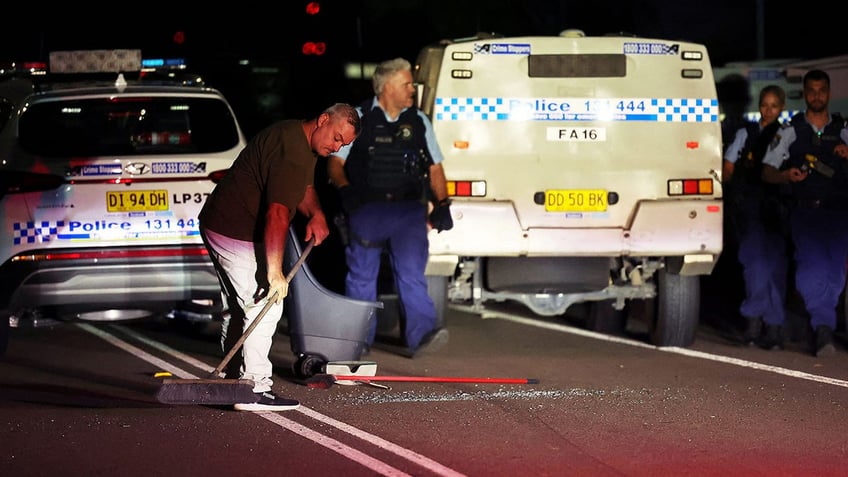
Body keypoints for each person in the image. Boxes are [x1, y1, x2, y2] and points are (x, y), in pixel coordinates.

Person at [199, 103, 361, 410]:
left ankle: (235, 381)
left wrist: (315, 214)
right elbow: (277, 214)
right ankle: (254, 388)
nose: (336, 147)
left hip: (221, 222)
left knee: (239, 306)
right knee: (267, 303)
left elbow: (304, 186)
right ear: (323, 119)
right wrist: (274, 272)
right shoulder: (290, 151)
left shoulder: (300, 139)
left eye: (344, 144)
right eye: (337, 137)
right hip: (234, 229)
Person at [327, 57, 453, 358]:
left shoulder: (419, 121)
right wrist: (344, 190)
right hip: (367, 209)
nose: (413, 89)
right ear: (386, 87)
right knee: (361, 277)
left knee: (412, 275)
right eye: (407, 84)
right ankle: (357, 339)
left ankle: (420, 337)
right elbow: (335, 163)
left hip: (408, 212)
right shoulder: (358, 117)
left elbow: (435, 168)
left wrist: (443, 202)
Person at [761, 69, 848, 357]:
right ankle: (822, 328)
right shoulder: (790, 131)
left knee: (834, 273)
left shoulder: (844, 130)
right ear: (805, 93)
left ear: (829, 93)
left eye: (822, 90)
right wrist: (786, 175)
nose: (817, 96)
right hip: (805, 213)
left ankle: (822, 322)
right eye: (811, 90)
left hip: (837, 215)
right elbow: (767, 172)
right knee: (811, 268)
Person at [722, 85, 789, 349]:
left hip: (777, 206)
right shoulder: (745, 132)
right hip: (749, 204)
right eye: (764, 104)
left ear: (781, 107)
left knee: (775, 266)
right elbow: (728, 166)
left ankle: (773, 326)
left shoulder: (788, 133)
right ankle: (753, 322)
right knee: (753, 264)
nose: (768, 110)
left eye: (774, 106)